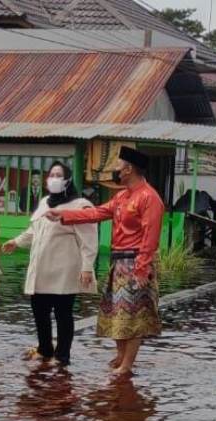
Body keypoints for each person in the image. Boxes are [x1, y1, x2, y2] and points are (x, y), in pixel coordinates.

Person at [46, 146, 164, 378]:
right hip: (118, 263)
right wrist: (64, 215)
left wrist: (141, 270)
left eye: (118, 166)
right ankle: (121, 357)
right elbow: (96, 213)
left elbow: (150, 238)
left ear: (129, 169)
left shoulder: (149, 198)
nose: (115, 170)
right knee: (117, 314)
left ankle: (127, 364)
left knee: (133, 315)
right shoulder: (121, 196)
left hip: (135, 262)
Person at [2, 161, 98, 367]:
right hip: (41, 268)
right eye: (51, 174)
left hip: (64, 270)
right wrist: (16, 242)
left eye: (58, 175)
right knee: (39, 309)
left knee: (63, 313)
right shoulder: (45, 202)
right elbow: (35, 230)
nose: (53, 178)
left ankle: (62, 356)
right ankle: (44, 348)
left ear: (67, 180)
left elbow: (89, 240)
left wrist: (87, 267)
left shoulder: (80, 205)